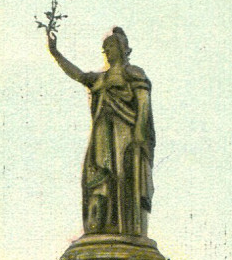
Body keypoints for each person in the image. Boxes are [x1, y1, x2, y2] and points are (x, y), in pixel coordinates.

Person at [46, 25, 155, 238]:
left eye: (111, 46)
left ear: (123, 49)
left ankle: (127, 230)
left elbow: (143, 104)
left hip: (125, 134)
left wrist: (140, 133)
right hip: (102, 135)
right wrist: (56, 53)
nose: (107, 51)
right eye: (105, 48)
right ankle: (102, 227)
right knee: (99, 179)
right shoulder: (100, 79)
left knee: (124, 177)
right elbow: (77, 75)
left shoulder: (133, 73)